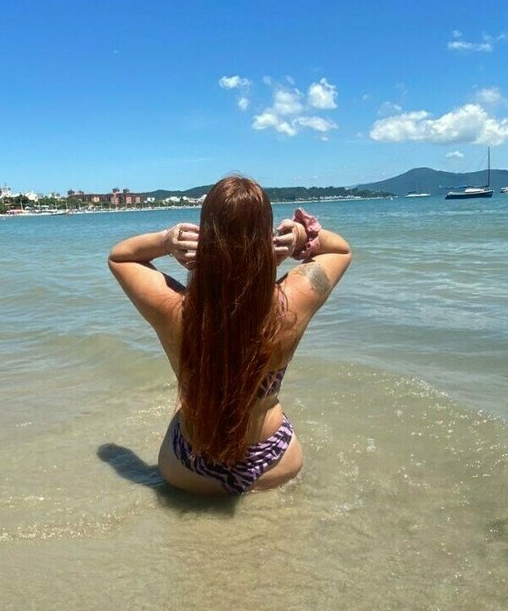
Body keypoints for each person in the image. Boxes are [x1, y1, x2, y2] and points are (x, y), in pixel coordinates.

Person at [108, 175, 352, 495]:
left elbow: (120, 257)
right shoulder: (292, 301)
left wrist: (166, 241)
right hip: (274, 461)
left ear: (204, 236)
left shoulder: (173, 309)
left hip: (188, 467)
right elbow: (340, 250)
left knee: (184, 407)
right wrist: (300, 237)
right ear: (267, 236)